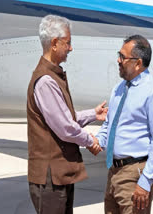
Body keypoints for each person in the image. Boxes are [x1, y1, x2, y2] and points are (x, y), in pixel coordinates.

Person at [26, 15, 106, 214]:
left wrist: (93, 115)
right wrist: (91, 140)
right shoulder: (46, 81)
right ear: (54, 43)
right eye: (68, 43)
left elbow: (62, 118)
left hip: (59, 176)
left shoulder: (52, 76)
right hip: (51, 178)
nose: (70, 48)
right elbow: (64, 127)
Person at [92, 35, 153, 214]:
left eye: (123, 57)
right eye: (118, 55)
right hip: (114, 172)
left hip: (136, 174)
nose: (118, 61)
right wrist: (98, 140)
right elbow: (110, 124)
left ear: (138, 63)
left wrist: (145, 182)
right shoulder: (119, 89)